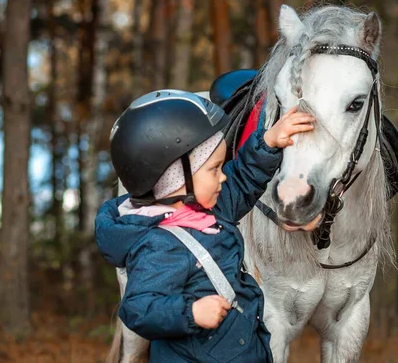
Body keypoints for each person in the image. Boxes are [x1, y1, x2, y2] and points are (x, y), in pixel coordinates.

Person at [95, 89, 314, 362]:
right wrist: (191, 313)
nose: (223, 177)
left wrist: (268, 142)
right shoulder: (159, 245)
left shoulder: (211, 209)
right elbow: (138, 308)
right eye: (214, 169)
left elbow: (242, 178)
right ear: (174, 177)